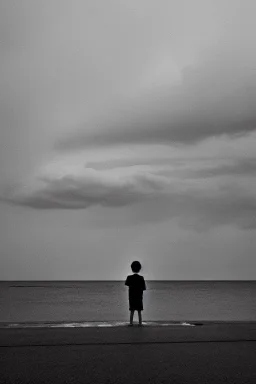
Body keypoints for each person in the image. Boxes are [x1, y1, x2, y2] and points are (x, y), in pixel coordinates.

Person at [125, 261, 146, 326]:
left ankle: (131, 323)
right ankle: (140, 323)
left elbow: (126, 284)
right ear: (139, 269)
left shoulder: (129, 277)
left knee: (132, 310)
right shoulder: (141, 278)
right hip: (139, 296)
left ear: (132, 268)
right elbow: (144, 288)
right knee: (139, 311)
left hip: (132, 296)